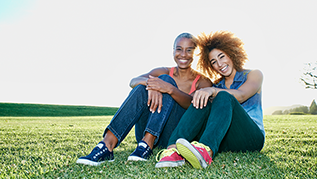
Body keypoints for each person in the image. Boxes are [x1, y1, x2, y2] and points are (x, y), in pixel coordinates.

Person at [76, 33, 212, 166]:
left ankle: (149, 142)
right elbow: (133, 81)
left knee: (165, 81)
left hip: (175, 135)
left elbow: (195, 107)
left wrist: (169, 89)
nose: (183, 54)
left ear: (196, 54)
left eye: (189, 50)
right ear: (173, 51)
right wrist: (152, 86)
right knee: (143, 87)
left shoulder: (203, 81)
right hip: (146, 129)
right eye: (179, 49)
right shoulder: (162, 70)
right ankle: (107, 145)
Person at [155, 31, 265, 169]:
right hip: (226, 139)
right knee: (202, 98)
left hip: (252, 137)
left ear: (232, 53)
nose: (219, 64)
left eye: (222, 57)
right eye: (214, 62)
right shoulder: (217, 85)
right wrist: (203, 93)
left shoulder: (253, 74)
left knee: (224, 96)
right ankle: (172, 151)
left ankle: (206, 152)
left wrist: (212, 91)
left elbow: (241, 95)